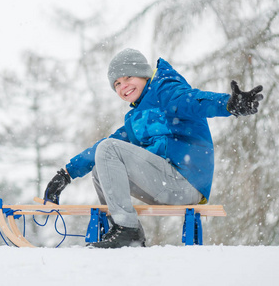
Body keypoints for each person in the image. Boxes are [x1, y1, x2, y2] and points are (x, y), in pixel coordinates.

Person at [43, 48, 264, 248]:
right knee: (102, 165)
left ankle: (126, 229)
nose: (123, 87)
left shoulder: (165, 90)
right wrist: (66, 174)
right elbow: (101, 149)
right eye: (117, 84)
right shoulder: (136, 118)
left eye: (128, 77)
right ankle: (128, 233)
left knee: (109, 150)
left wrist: (227, 104)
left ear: (144, 75)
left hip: (184, 182)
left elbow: (192, 100)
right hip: (163, 184)